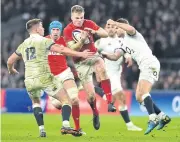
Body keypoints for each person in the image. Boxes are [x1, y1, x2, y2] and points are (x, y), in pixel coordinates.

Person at [7, 19, 94, 137]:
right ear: (37, 29)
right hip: (44, 77)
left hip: (29, 80)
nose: (43, 29)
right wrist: (81, 54)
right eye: (42, 27)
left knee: (36, 103)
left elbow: (10, 60)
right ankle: (66, 126)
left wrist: (11, 70)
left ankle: (42, 130)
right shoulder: (44, 41)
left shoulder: (23, 44)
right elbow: (62, 49)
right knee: (66, 100)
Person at [101, 18, 171, 135]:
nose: (116, 30)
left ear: (122, 26)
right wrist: (104, 55)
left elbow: (131, 28)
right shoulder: (122, 44)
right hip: (143, 66)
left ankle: (152, 118)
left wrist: (116, 23)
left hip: (149, 63)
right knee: (139, 97)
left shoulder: (132, 34)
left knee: (143, 92)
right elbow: (115, 56)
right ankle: (162, 116)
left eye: (117, 28)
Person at [63, 5, 112, 130]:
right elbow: (71, 49)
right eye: (77, 18)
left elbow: (105, 33)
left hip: (93, 55)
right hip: (80, 62)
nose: (79, 20)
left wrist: (95, 32)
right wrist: (82, 40)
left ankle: (110, 102)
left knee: (102, 68)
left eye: (81, 17)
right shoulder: (68, 30)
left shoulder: (88, 23)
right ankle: (95, 113)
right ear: (71, 17)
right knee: (90, 96)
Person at [95, 23, 142, 131]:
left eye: (112, 27)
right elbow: (93, 56)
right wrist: (96, 71)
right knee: (121, 96)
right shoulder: (101, 42)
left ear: (115, 29)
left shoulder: (121, 41)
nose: (110, 29)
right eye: (108, 27)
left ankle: (95, 90)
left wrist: (128, 56)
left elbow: (125, 51)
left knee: (114, 98)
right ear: (105, 29)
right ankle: (129, 125)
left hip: (117, 73)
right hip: (107, 74)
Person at [45, 21, 85, 136]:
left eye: (58, 29)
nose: (56, 32)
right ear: (50, 30)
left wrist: (81, 41)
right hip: (51, 78)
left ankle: (71, 127)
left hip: (64, 73)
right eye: (54, 29)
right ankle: (81, 88)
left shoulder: (65, 41)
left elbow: (75, 49)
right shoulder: (43, 42)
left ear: (60, 31)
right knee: (58, 104)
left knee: (74, 99)